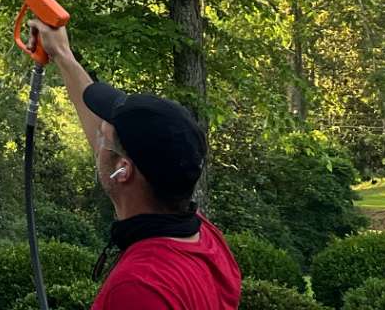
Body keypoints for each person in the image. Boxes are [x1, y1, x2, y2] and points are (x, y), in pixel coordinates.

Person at [34, 22, 241, 310]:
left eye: (103, 137)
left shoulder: (138, 288)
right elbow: (114, 152)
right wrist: (63, 54)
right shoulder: (203, 238)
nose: (97, 141)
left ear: (123, 170)